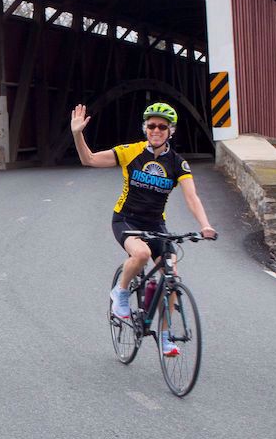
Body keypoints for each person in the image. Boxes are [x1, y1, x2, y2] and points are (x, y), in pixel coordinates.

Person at [70, 101, 217, 356]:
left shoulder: (178, 163)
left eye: (162, 126)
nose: (156, 130)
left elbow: (192, 197)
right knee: (141, 254)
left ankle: (164, 335)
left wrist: (205, 225)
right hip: (126, 219)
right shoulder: (131, 152)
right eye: (151, 126)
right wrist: (77, 133)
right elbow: (89, 159)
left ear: (171, 130)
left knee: (172, 276)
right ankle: (121, 292)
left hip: (155, 224)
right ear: (145, 128)